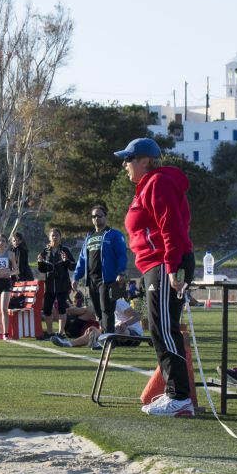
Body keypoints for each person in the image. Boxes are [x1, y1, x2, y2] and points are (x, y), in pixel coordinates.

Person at [116, 137, 196, 417]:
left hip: (165, 264)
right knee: (160, 328)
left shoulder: (157, 183)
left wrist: (172, 267)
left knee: (164, 328)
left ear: (145, 160)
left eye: (129, 159)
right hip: (156, 265)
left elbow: (171, 227)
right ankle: (175, 394)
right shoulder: (145, 187)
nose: (124, 164)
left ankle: (180, 398)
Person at [72, 204, 128, 333]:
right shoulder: (89, 237)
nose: (96, 218)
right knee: (98, 311)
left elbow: (121, 255)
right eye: (93, 216)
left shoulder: (114, 234)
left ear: (105, 217)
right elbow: (82, 258)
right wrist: (76, 276)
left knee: (106, 310)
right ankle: (103, 337)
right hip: (92, 279)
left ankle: (109, 342)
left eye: (99, 216)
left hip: (108, 279)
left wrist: (121, 272)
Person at [36, 227, 76, 339]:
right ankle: (50, 333)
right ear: (49, 237)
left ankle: (60, 333)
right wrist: (40, 263)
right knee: (47, 309)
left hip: (62, 284)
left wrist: (66, 261)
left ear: (60, 237)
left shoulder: (65, 250)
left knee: (62, 308)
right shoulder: (45, 251)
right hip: (49, 285)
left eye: (57, 235)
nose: (54, 237)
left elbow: (73, 266)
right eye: (52, 235)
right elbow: (42, 270)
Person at [0, 234, 19, 340]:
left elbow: (17, 270)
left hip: (6, 282)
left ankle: (6, 334)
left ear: (7, 243)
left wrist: (10, 272)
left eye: (3, 241)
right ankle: (1, 333)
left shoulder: (10, 254)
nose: (1, 243)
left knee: (4, 309)